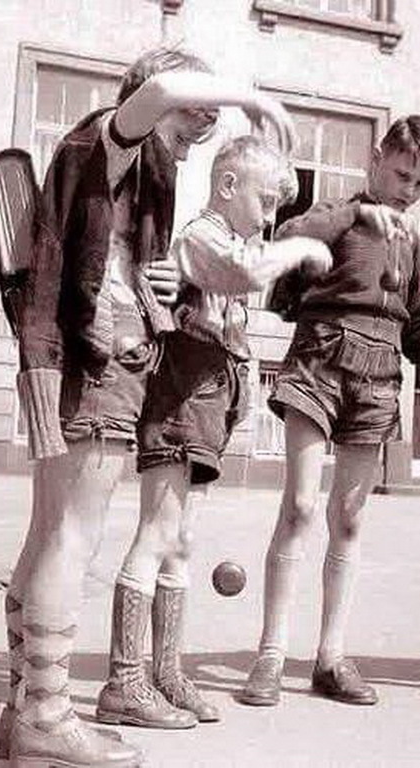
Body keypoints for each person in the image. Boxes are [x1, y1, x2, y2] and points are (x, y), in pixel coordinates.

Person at [0, 43, 298, 768]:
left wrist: (153, 284)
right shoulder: (110, 139)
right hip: (97, 367)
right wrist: (252, 99)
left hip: (85, 364)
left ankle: (25, 709)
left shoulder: (129, 175)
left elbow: (102, 256)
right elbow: (160, 91)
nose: (200, 130)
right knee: (71, 537)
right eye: (195, 115)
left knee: (48, 536)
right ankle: (47, 715)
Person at [95, 135, 332, 727]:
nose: (269, 218)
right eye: (265, 201)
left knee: (181, 541)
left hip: (207, 401)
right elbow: (244, 273)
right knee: (157, 533)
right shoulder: (203, 237)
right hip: (180, 397)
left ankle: (166, 672)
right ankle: (125, 680)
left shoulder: (229, 240)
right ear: (228, 185)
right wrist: (301, 246)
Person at [238, 115, 420, 707]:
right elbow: (289, 236)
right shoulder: (339, 213)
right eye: (401, 175)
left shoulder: (414, 243)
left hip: (380, 377)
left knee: (350, 518)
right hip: (320, 362)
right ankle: (270, 653)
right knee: (300, 506)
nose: (408, 191)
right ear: (376, 160)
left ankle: (330, 658)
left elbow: (414, 321)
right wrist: (358, 214)